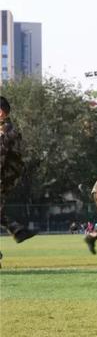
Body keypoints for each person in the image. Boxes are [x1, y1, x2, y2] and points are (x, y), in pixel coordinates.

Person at [0, 96, 37, 266]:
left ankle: (18, 230)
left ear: (1, 113)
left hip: (3, 176)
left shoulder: (6, 131)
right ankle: (17, 230)